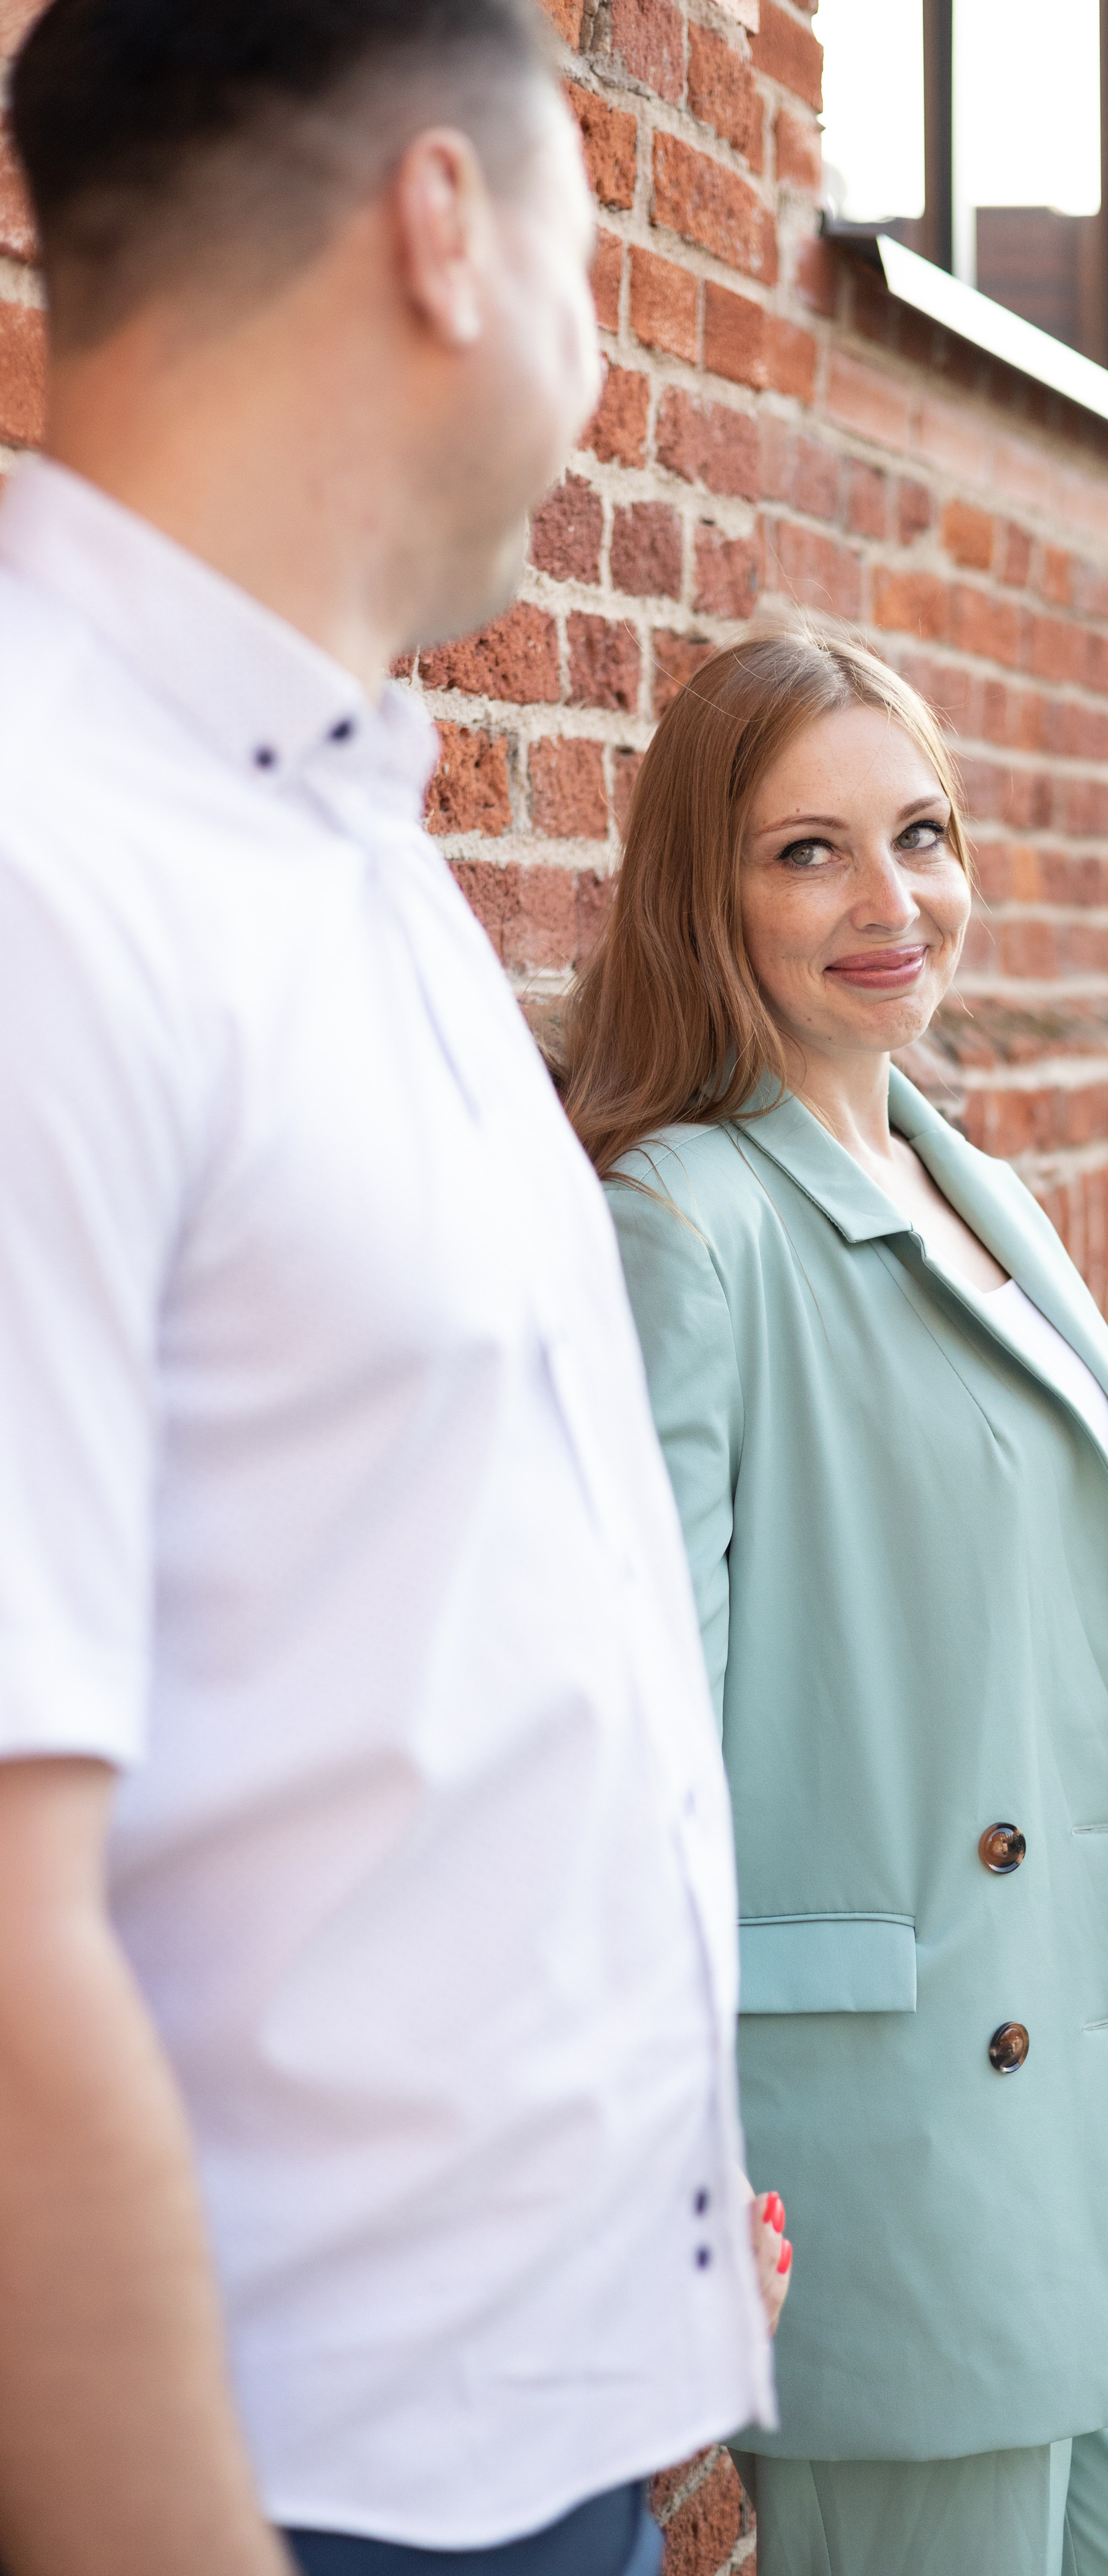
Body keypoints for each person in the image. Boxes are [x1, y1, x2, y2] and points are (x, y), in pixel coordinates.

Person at [0, 8, 781, 2575]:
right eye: (583, 249)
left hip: (505, 2452)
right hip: (267, 2498)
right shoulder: (49, 866)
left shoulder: (328, 824)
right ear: (444, 231)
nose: (607, 357)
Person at [556, 627, 1108, 2576]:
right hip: (905, 2138)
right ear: (710, 891)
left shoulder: (963, 1171)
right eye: (810, 853)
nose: (892, 902)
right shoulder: (689, 1225)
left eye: (922, 833)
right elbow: (646, 1754)